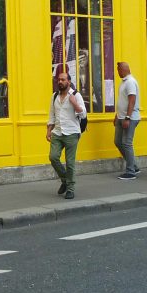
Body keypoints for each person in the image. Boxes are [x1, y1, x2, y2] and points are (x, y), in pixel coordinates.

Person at [47, 72, 85, 200]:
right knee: (53, 157)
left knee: (70, 163)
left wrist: (74, 103)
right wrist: (48, 130)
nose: (60, 82)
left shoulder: (76, 95)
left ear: (69, 81)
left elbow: (83, 114)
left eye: (63, 79)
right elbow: (51, 115)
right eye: (58, 80)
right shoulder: (54, 96)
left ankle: (70, 189)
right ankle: (65, 179)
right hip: (57, 132)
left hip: (72, 133)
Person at [115, 61, 142, 181]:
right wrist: (117, 115)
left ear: (124, 69)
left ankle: (131, 171)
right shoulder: (124, 82)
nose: (117, 72)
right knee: (118, 141)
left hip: (129, 118)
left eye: (118, 70)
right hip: (121, 117)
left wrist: (127, 117)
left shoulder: (130, 82)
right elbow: (123, 100)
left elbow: (132, 100)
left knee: (126, 143)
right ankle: (134, 166)